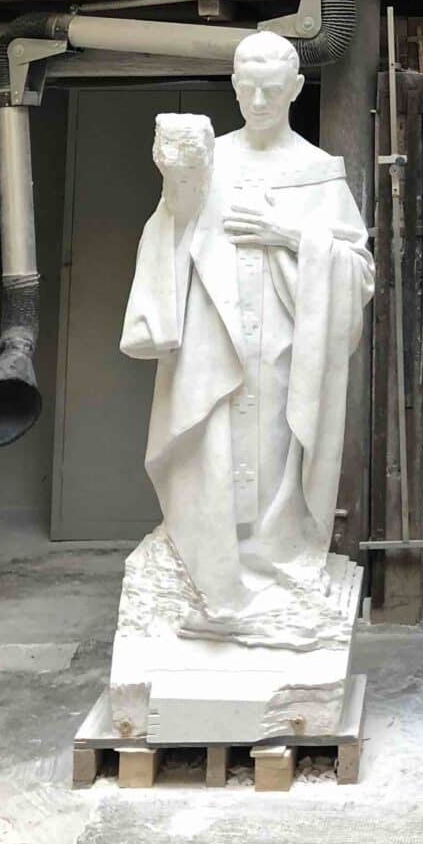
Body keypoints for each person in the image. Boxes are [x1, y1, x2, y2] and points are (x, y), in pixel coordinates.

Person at [121, 31, 374, 634]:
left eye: (272, 90)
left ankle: (274, 568)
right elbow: (168, 237)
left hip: (284, 354)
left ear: (296, 88)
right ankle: (211, 576)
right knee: (209, 461)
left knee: (273, 460)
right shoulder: (210, 164)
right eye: (248, 88)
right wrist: (176, 189)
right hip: (212, 352)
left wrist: (287, 235)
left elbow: (358, 272)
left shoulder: (316, 172)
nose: (258, 102)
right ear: (234, 86)